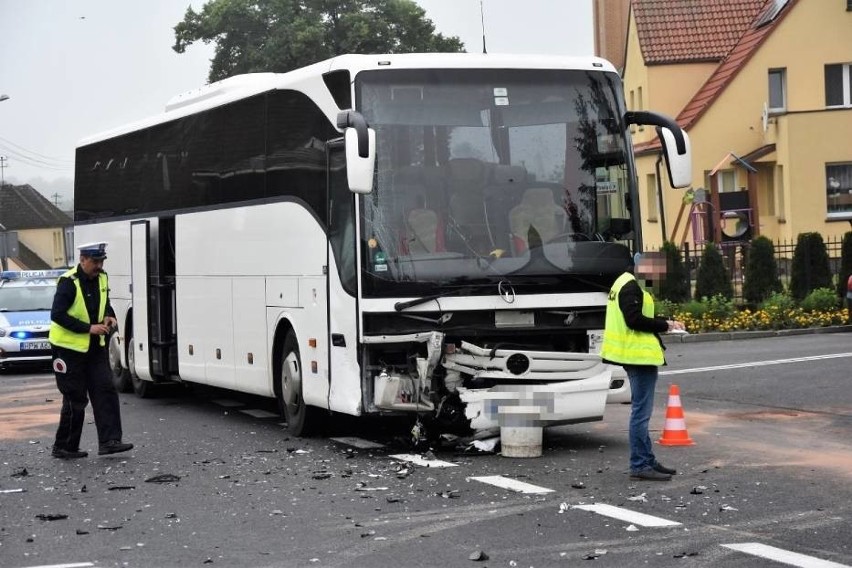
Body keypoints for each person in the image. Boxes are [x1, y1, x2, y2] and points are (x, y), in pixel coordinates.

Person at [600, 251, 685, 481]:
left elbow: (638, 315)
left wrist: (666, 322)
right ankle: (639, 464)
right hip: (637, 356)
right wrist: (665, 325)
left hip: (636, 355)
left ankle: (647, 460)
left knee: (641, 412)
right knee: (641, 413)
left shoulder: (626, 282)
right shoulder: (630, 286)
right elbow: (634, 319)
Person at [48, 242, 133, 459]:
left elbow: (104, 303)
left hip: (95, 347)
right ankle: (65, 446)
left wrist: (109, 315)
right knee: (75, 398)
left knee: (105, 390)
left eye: (101, 261)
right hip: (68, 349)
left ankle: (110, 441)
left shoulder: (102, 278)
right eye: (95, 261)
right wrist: (89, 328)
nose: (99, 266)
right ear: (83, 259)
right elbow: (57, 314)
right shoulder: (69, 282)